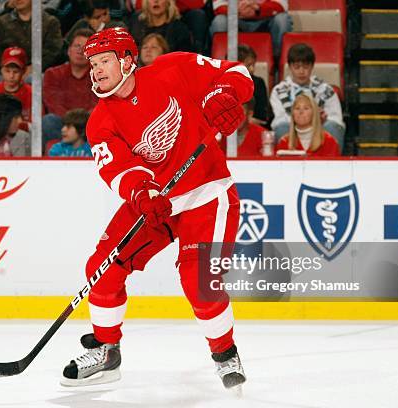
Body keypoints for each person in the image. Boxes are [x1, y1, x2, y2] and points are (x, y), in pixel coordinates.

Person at [59, 28, 253, 390]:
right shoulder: (99, 121)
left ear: (128, 61)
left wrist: (224, 94)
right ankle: (106, 349)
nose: (96, 71)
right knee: (101, 269)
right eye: (93, 64)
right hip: (155, 202)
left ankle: (225, 354)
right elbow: (119, 169)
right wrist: (142, 192)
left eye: (104, 62)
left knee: (198, 280)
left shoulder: (173, 69)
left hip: (206, 193)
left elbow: (237, 72)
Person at [270, 43, 345, 149]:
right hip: (292, 127)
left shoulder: (326, 90)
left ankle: (331, 161)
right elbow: (280, 118)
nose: (301, 71)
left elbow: (336, 117)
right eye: (297, 67)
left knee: (333, 126)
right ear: (290, 67)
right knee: (282, 127)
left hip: (320, 128)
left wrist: (319, 120)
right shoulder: (279, 91)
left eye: (305, 67)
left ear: (312, 66)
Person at [42, 28, 98, 140]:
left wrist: (79, 124)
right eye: (77, 46)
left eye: (86, 48)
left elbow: (98, 106)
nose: (80, 50)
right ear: (68, 50)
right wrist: (72, 125)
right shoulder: (53, 74)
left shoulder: (100, 75)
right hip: (62, 124)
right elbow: (54, 105)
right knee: (49, 121)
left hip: (89, 125)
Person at [210, 0, 291, 59]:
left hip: (265, 18)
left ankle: (278, 60)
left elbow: (281, 4)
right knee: (219, 21)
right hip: (235, 17)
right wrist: (236, 10)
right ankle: (221, 61)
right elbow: (218, 4)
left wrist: (258, 9)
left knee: (282, 19)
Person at [275, 93, 340, 157]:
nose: (301, 112)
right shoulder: (284, 142)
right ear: (293, 114)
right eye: (297, 108)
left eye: (306, 108)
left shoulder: (329, 141)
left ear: (314, 114)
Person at [128, 0, 192, 53]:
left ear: (168, 3)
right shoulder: (136, 24)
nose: (156, 1)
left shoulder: (179, 29)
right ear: (146, 2)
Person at [238, 44, 270, 126]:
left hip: (252, 126)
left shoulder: (258, 83)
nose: (252, 69)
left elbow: (262, 117)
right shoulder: (222, 84)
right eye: (248, 65)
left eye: (253, 65)